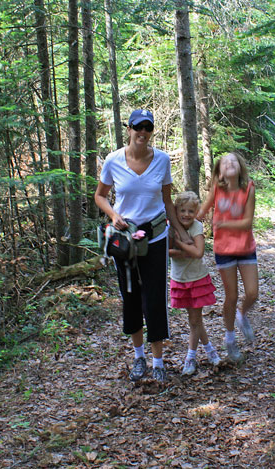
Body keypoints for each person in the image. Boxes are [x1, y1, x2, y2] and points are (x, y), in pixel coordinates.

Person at [94, 109, 189, 383]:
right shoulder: (113, 160)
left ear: (151, 131)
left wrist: (180, 232)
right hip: (124, 241)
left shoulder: (161, 160)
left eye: (147, 128)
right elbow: (100, 196)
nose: (142, 133)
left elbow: (167, 200)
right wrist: (113, 215)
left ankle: (158, 361)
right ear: (129, 128)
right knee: (131, 297)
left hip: (155, 237)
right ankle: (138, 358)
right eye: (138, 127)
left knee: (155, 298)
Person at [197, 152, 259, 363]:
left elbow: (247, 222)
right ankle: (230, 339)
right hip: (224, 249)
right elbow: (202, 211)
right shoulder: (217, 189)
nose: (230, 164)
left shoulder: (248, 188)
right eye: (225, 163)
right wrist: (182, 220)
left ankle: (242, 315)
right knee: (230, 296)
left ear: (240, 167)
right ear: (220, 172)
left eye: (234, 161)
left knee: (252, 292)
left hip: (245, 247)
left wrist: (222, 224)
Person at [168, 191, 222, 375]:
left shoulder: (197, 227)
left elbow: (198, 252)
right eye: (182, 210)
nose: (186, 215)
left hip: (196, 279)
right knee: (195, 321)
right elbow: (166, 251)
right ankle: (210, 351)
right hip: (179, 278)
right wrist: (184, 250)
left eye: (191, 211)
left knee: (194, 321)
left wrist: (180, 244)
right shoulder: (170, 227)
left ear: (196, 212)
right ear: (175, 211)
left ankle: (190, 358)